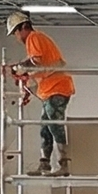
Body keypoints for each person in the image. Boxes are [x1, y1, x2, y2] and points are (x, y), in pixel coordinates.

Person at [8, 11, 76, 174]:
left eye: (16, 32)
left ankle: (63, 164)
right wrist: (26, 80)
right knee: (45, 127)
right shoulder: (34, 42)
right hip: (49, 89)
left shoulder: (34, 37)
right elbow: (39, 68)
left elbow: (35, 61)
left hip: (57, 87)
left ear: (24, 27)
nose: (17, 37)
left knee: (54, 123)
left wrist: (18, 67)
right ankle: (44, 163)